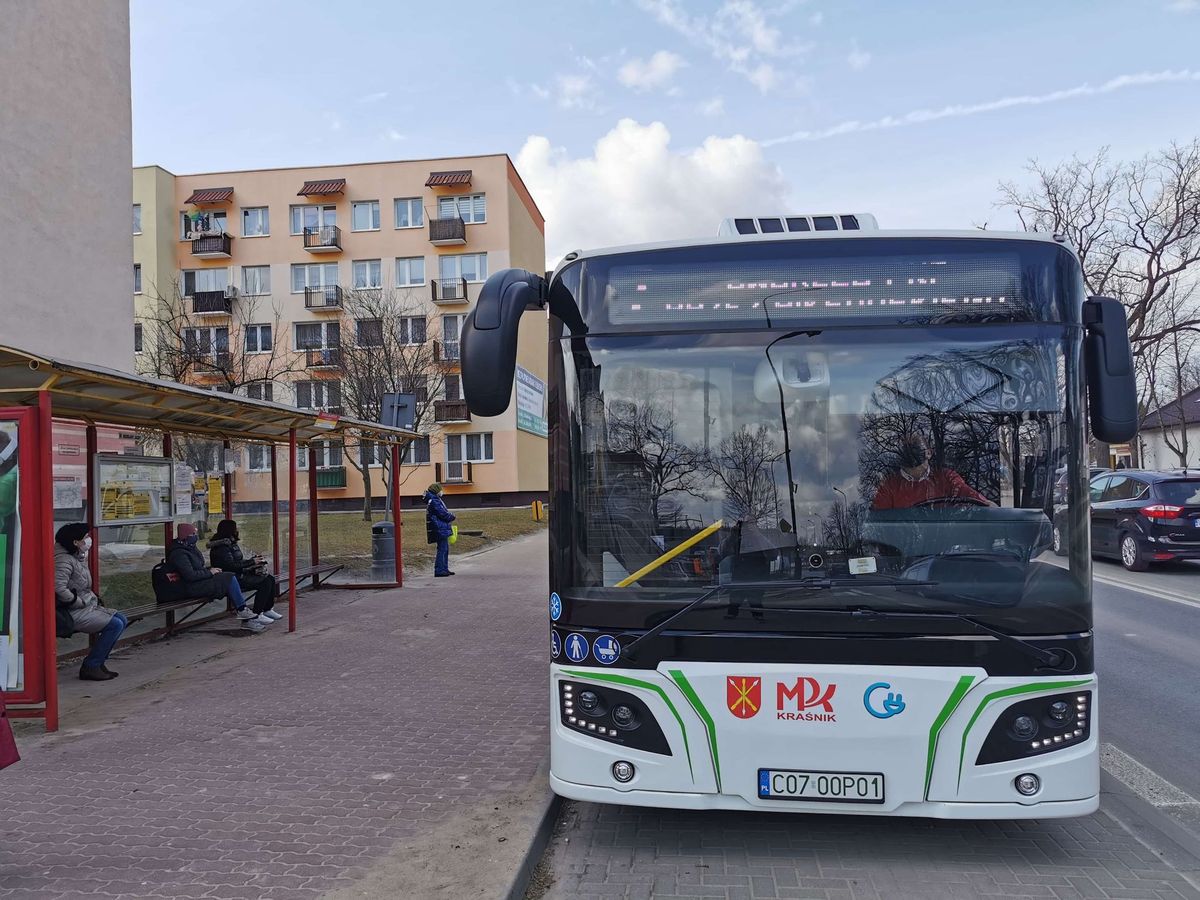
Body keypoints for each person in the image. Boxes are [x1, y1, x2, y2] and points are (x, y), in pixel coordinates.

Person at [53, 523, 128, 681]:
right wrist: (76, 601)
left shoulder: (75, 557)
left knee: (122, 619)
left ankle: (98, 662)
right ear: (75, 542)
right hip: (70, 612)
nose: (89, 540)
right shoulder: (64, 560)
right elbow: (58, 587)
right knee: (115, 624)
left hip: (85, 606)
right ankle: (92, 665)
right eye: (85, 537)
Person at [166, 523, 270, 632]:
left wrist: (211, 570)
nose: (196, 536)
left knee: (228, 577)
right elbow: (190, 575)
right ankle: (243, 610)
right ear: (185, 535)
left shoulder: (191, 548)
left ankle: (246, 615)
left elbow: (198, 568)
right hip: (190, 587)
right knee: (228, 577)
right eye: (193, 534)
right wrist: (210, 572)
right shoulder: (179, 554)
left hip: (199, 581)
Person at [872, 434, 995, 510]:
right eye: (908, 464)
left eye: (918, 461)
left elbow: (969, 495)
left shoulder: (946, 478)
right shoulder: (889, 487)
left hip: (945, 548)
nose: (915, 470)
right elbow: (878, 522)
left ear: (929, 453)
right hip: (904, 549)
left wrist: (988, 506)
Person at [207, 519, 282, 622]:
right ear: (230, 530)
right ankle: (257, 614)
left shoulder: (231, 543)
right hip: (231, 578)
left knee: (270, 578)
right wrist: (251, 562)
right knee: (265, 582)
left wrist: (253, 564)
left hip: (239, 574)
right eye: (235, 528)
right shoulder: (221, 547)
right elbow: (230, 566)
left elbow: (238, 561)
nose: (237, 530)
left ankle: (267, 609)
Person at [424, 483, 456, 577]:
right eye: (440, 490)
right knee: (442, 549)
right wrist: (452, 516)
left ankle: (444, 568)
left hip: (440, 527)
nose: (441, 492)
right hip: (439, 527)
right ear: (436, 491)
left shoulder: (434, 499)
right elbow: (442, 513)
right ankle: (440, 570)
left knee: (444, 548)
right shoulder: (434, 500)